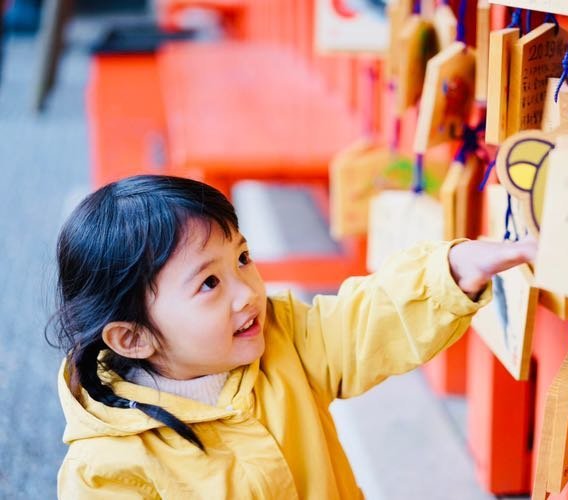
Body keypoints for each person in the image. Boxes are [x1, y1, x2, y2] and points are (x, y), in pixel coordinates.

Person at [50, 175, 536, 499]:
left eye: (242, 259)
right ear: (133, 339)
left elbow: (366, 321)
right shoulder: (107, 467)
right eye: (209, 284)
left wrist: (449, 272)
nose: (248, 293)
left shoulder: (286, 340)